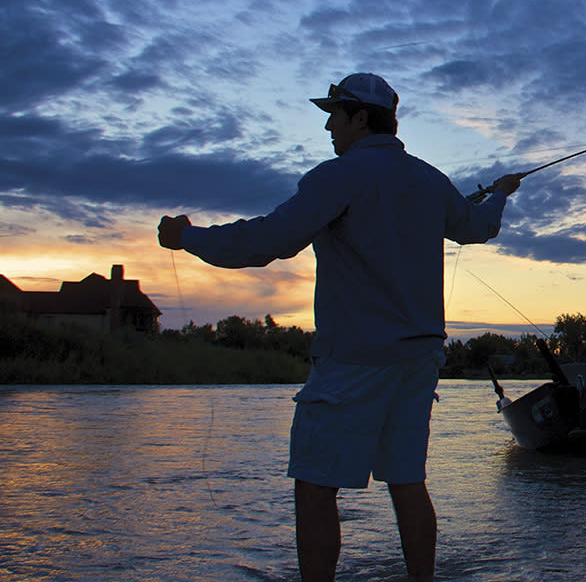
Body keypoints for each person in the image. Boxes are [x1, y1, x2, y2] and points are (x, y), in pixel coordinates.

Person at [158, 72, 522, 581]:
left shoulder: (337, 176)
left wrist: (187, 237)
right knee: (406, 482)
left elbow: (267, 242)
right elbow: (480, 227)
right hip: (419, 360)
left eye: (335, 114)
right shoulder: (429, 179)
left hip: (353, 360)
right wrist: (501, 194)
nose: (329, 126)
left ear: (360, 118)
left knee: (313, 486)